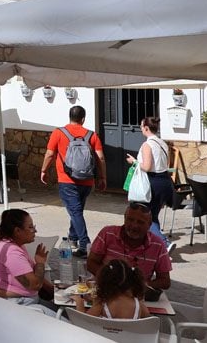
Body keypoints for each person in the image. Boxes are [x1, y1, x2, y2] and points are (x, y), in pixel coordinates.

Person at [40, 105, 107, 258]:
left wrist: (43, 170)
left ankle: (85, 244)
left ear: (69, 116)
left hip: (67, 180)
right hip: (86, 181)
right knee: (76, 210)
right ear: (83, 119)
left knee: (75, 211)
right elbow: (101, 158)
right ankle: (73, 237)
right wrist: (102, 177)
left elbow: (50, 154)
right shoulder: (92, 135)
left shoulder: (59, 133)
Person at [86, 202, 172, 290]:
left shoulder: (158, 244)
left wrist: (140, 285)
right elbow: (90, 263)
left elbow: (165, 281)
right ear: (124, 219)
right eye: (130, 220)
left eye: (140, 222)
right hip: (107, 290)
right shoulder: (107, 233)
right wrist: (110, 278)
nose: (134, 226)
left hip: (137, 296)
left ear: (149, 225)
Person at [0, 209, 55, 310]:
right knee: (68, 323)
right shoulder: (12, 252)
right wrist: (40, 263)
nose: (35, 231)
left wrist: (54, 290)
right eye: (31, 227)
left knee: (65, 312)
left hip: (25, 299)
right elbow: (34, 285)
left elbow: (30, 274)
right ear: (17, 231)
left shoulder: (13, 245)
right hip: (21, 304)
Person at [125, 116, 173, 246]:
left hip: (153, 182)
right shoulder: (163, 143)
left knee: (145, 216)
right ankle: (153, 245)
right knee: (153, 215)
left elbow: (146, 167)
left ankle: (164, 244)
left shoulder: (147, 145)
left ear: (146, 128)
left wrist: (134, 162)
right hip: (164, 181)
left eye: (141, 126)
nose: (140, 129)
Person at [73, 259, 151, 319]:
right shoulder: (139, 305)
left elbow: (83, 320)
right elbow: (150, 321)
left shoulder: (103, 304)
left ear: (104, 281)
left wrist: (79, 302)